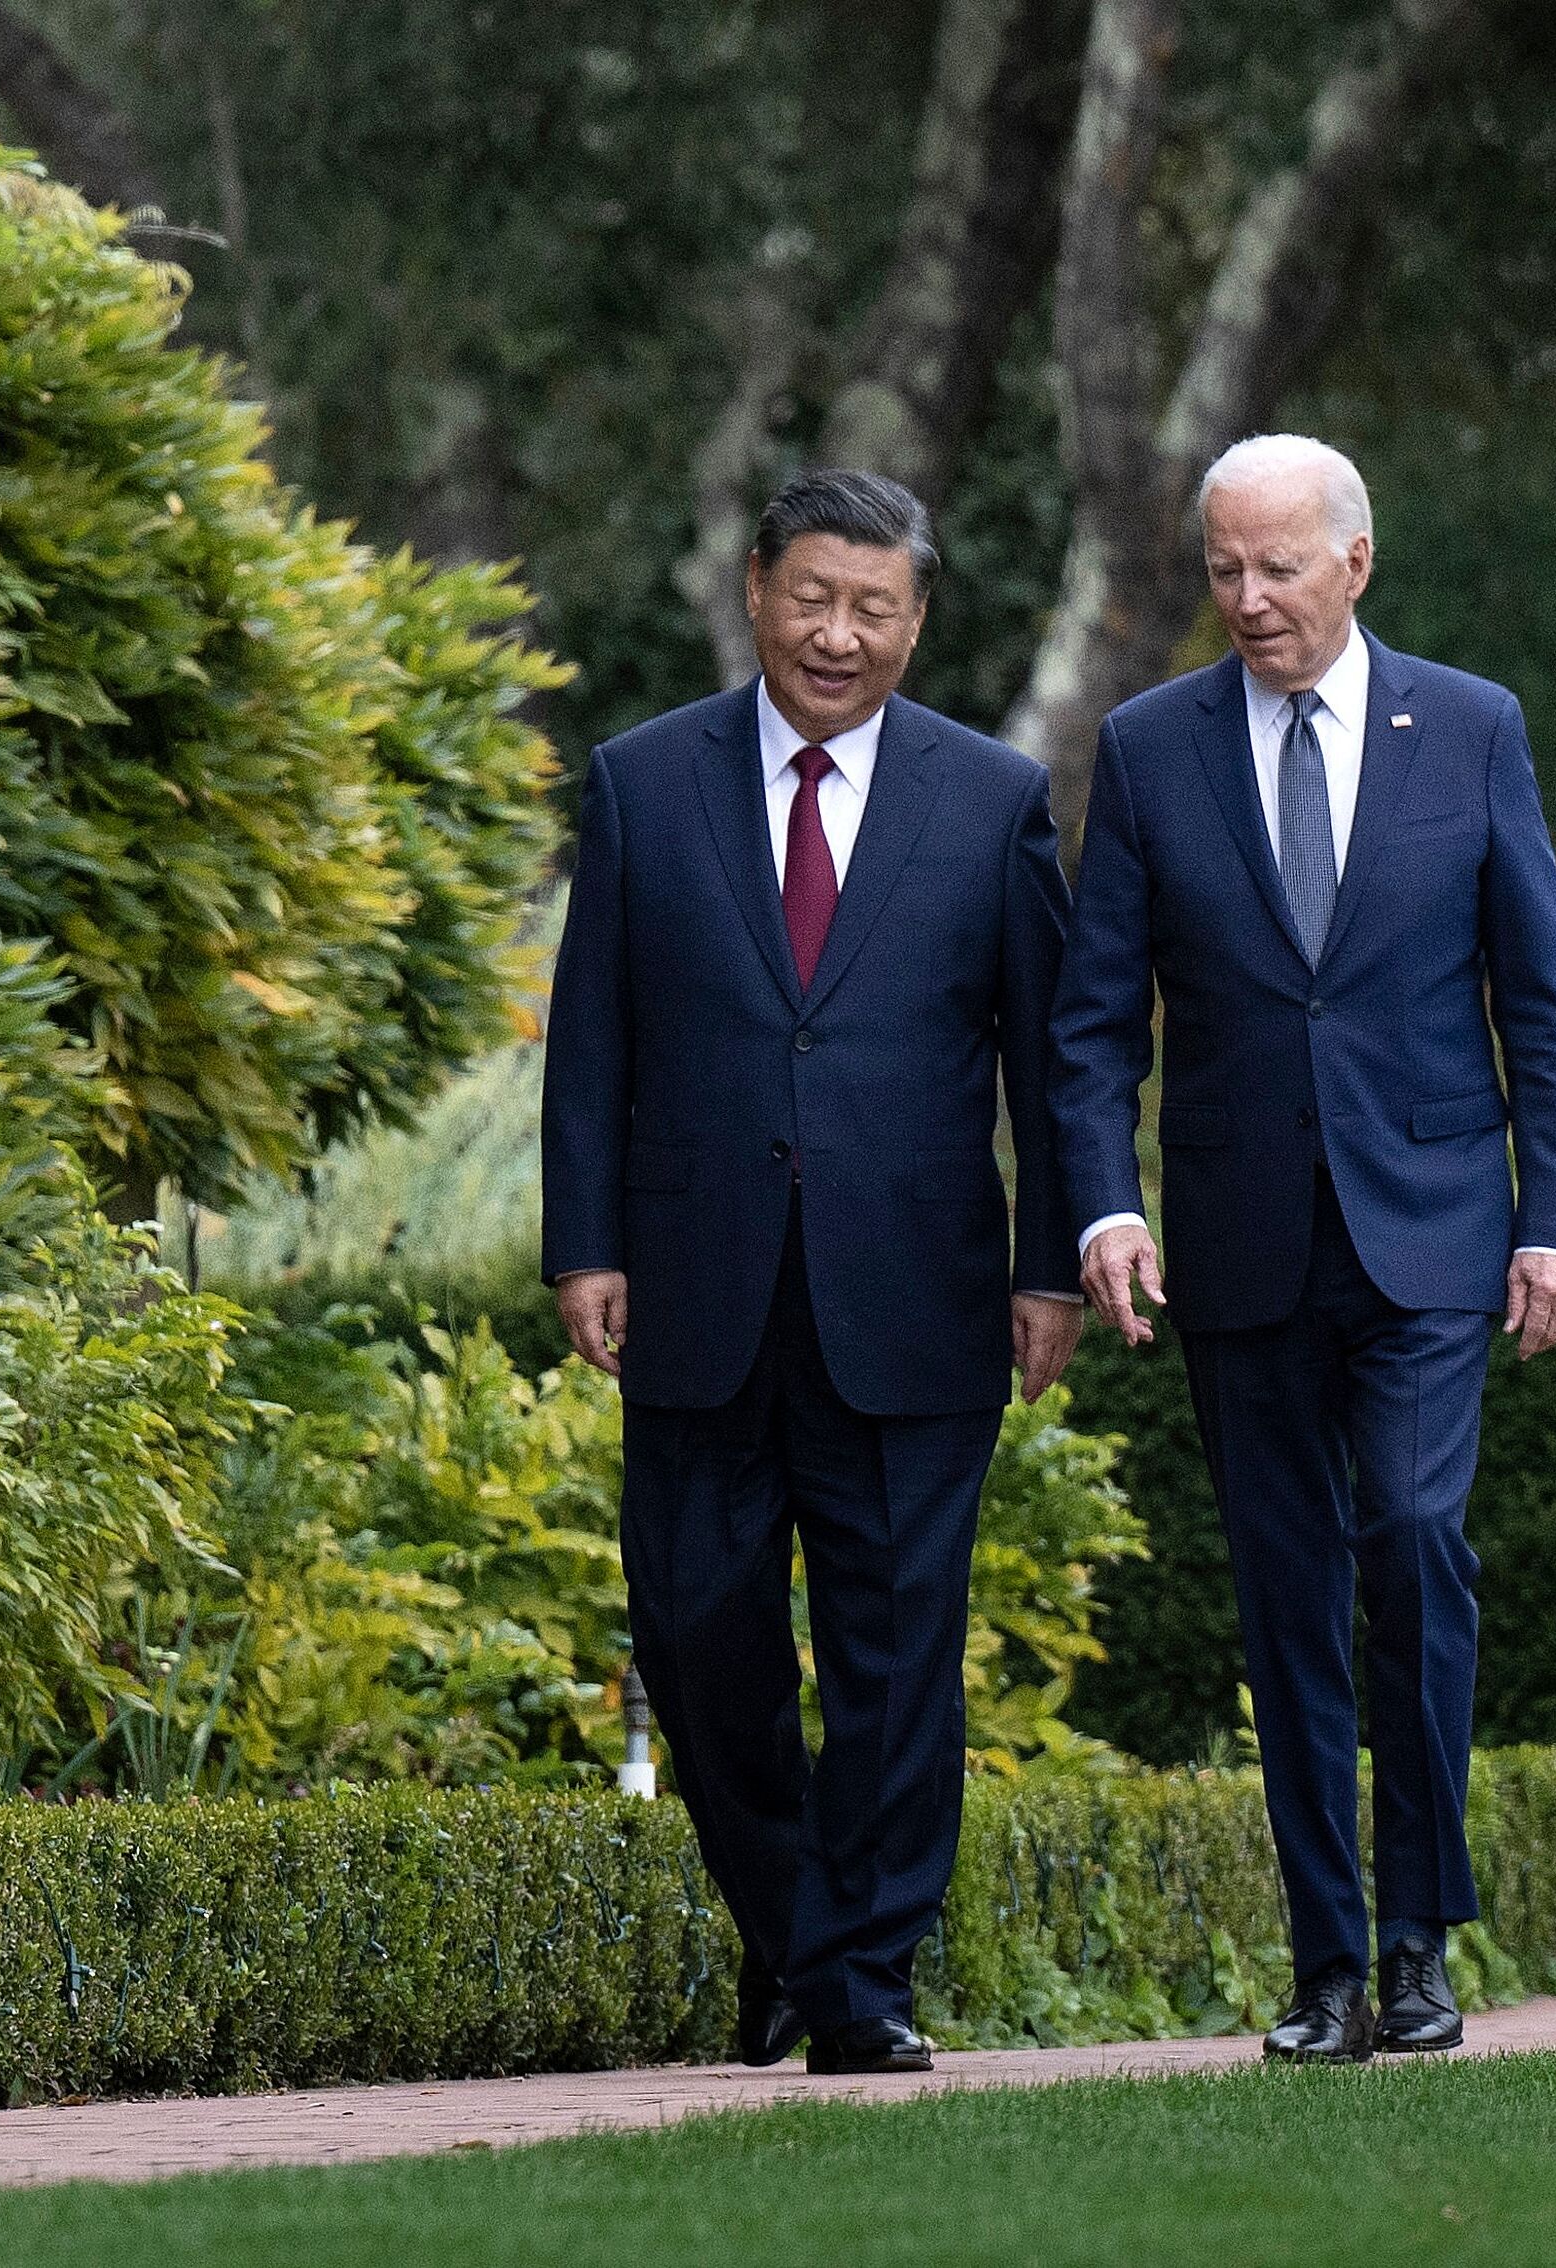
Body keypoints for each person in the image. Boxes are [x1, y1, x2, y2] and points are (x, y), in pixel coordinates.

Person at [1051, 434, 1556, 2062]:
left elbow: (1541, 1005)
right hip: (1239, 1247)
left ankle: (1423, 1939)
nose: (1249, 600)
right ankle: (1326, 1967)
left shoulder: (1473, 727)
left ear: (1356, 562)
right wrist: (1104, 1201)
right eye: (1224, 568)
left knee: (1418, 1547)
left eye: (1280, 567)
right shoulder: (1151, 749)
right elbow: (1095, 1026)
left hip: (1433, 1233)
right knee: (1285, 1596)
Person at [541, 468, 1083, 2076]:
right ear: (757, 589)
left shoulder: (991, 799)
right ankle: (793, 1932)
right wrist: (586, 1241)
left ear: (917, 620)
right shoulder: (644, 783)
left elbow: (1049, 1064)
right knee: (700, 1635)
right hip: (699, 1292)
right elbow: (594, 1041)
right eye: (811, 598)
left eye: (875, 607)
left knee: (899, 1650)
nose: (837, 634)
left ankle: (859, 1987)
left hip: (915, 1295)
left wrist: (1051, 1262)